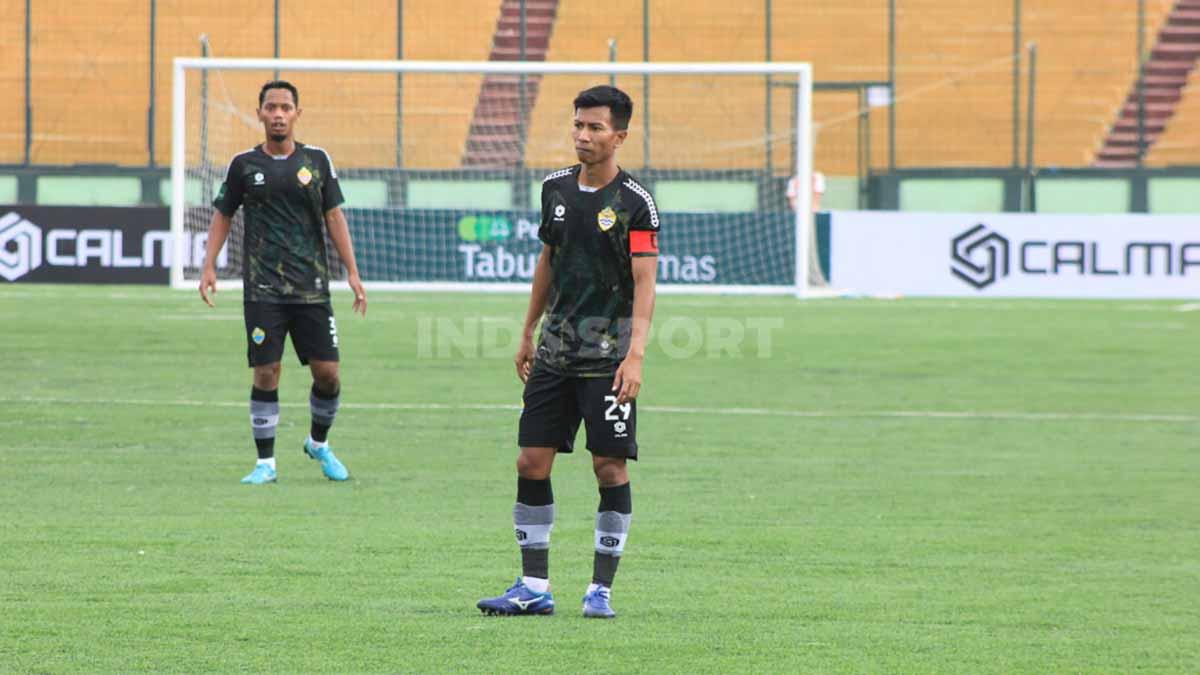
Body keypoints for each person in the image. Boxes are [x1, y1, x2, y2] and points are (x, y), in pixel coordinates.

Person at [476, 85, 659, 619]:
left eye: (595, 127)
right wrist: (527, 331)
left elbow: (645, 282)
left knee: (609, 468)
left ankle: (600, 590)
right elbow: (547, 262)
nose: (583, 134)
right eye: (578, 124)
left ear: (619, 136)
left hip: (609, 359)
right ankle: (534, 586)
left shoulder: (635, 203)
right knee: (531, 461)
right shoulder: (553, 188)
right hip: (555, 353)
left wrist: (636, 354)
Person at [199, 80, 367, 485]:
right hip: (263, 289)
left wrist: (352, 271)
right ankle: (266, 464)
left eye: (285, 107)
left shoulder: (317, 161)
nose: (278, 114)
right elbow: (223, 214)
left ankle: (318, 443)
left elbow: (334, 216)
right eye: (271, 107)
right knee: (266, 372)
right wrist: (208, 266)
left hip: (311, 287)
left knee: (328, 373)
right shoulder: (244, 165)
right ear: (259, 113)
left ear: (297, 114)